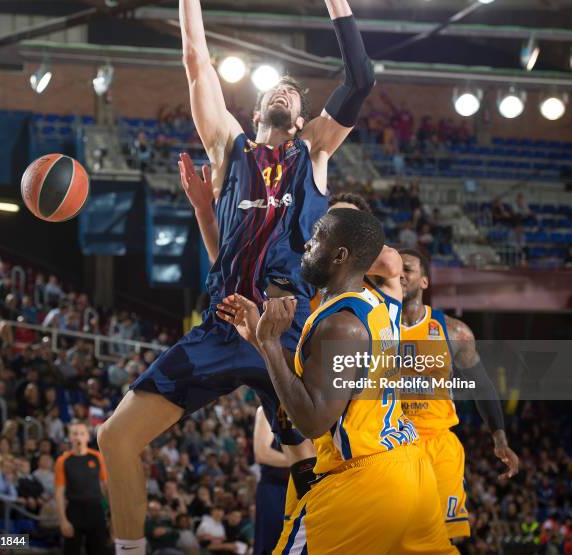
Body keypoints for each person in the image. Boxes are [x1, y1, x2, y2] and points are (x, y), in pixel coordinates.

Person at [97, 0, 378, 553]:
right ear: (253, 113)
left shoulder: (314, 154)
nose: (282, 93)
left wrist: (336, 4)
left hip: (287, 330)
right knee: (115, 438)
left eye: (294, 95)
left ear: (303, 119)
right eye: (274, 90)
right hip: (224, 327)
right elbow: (197, 59)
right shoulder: (229, 149)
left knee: (319, 463)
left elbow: (361, 78)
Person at [218, 209, 454, 553]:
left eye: (317, 237)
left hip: (364, 478)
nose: (308, 244)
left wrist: (270, 344)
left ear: (340, 255)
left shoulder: (340, 325)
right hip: (412, 472)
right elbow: (317, 381)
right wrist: (257, 337)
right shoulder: (379, 303)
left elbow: (313, 420)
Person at [398, 247, 520, 541]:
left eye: (408, 269)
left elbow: (482, 384)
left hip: (437, 443)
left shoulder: (453, 332)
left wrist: (499, 438)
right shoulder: (369, 326)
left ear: (424, 282)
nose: (400, 274)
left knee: (442, 536)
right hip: (391, 442)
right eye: (395, 269)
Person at [54, 420, 109, 555]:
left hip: (96, 510)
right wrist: (63, 521)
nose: (78, 437)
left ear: (87, 437)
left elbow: (106, 486)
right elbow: (59, 493)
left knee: (99, 550)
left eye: (82, 433)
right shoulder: (63, 461)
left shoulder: (97, 457)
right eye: (75, 434)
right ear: (70, 437)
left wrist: (112, 514)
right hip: (74, 511)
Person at [252, 406, 288, 555]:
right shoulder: (268, 408)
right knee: (272, 544)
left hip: (301, 488)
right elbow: (262, 453)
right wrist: (302, 460)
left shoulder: (309, 406)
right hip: (274, 489)